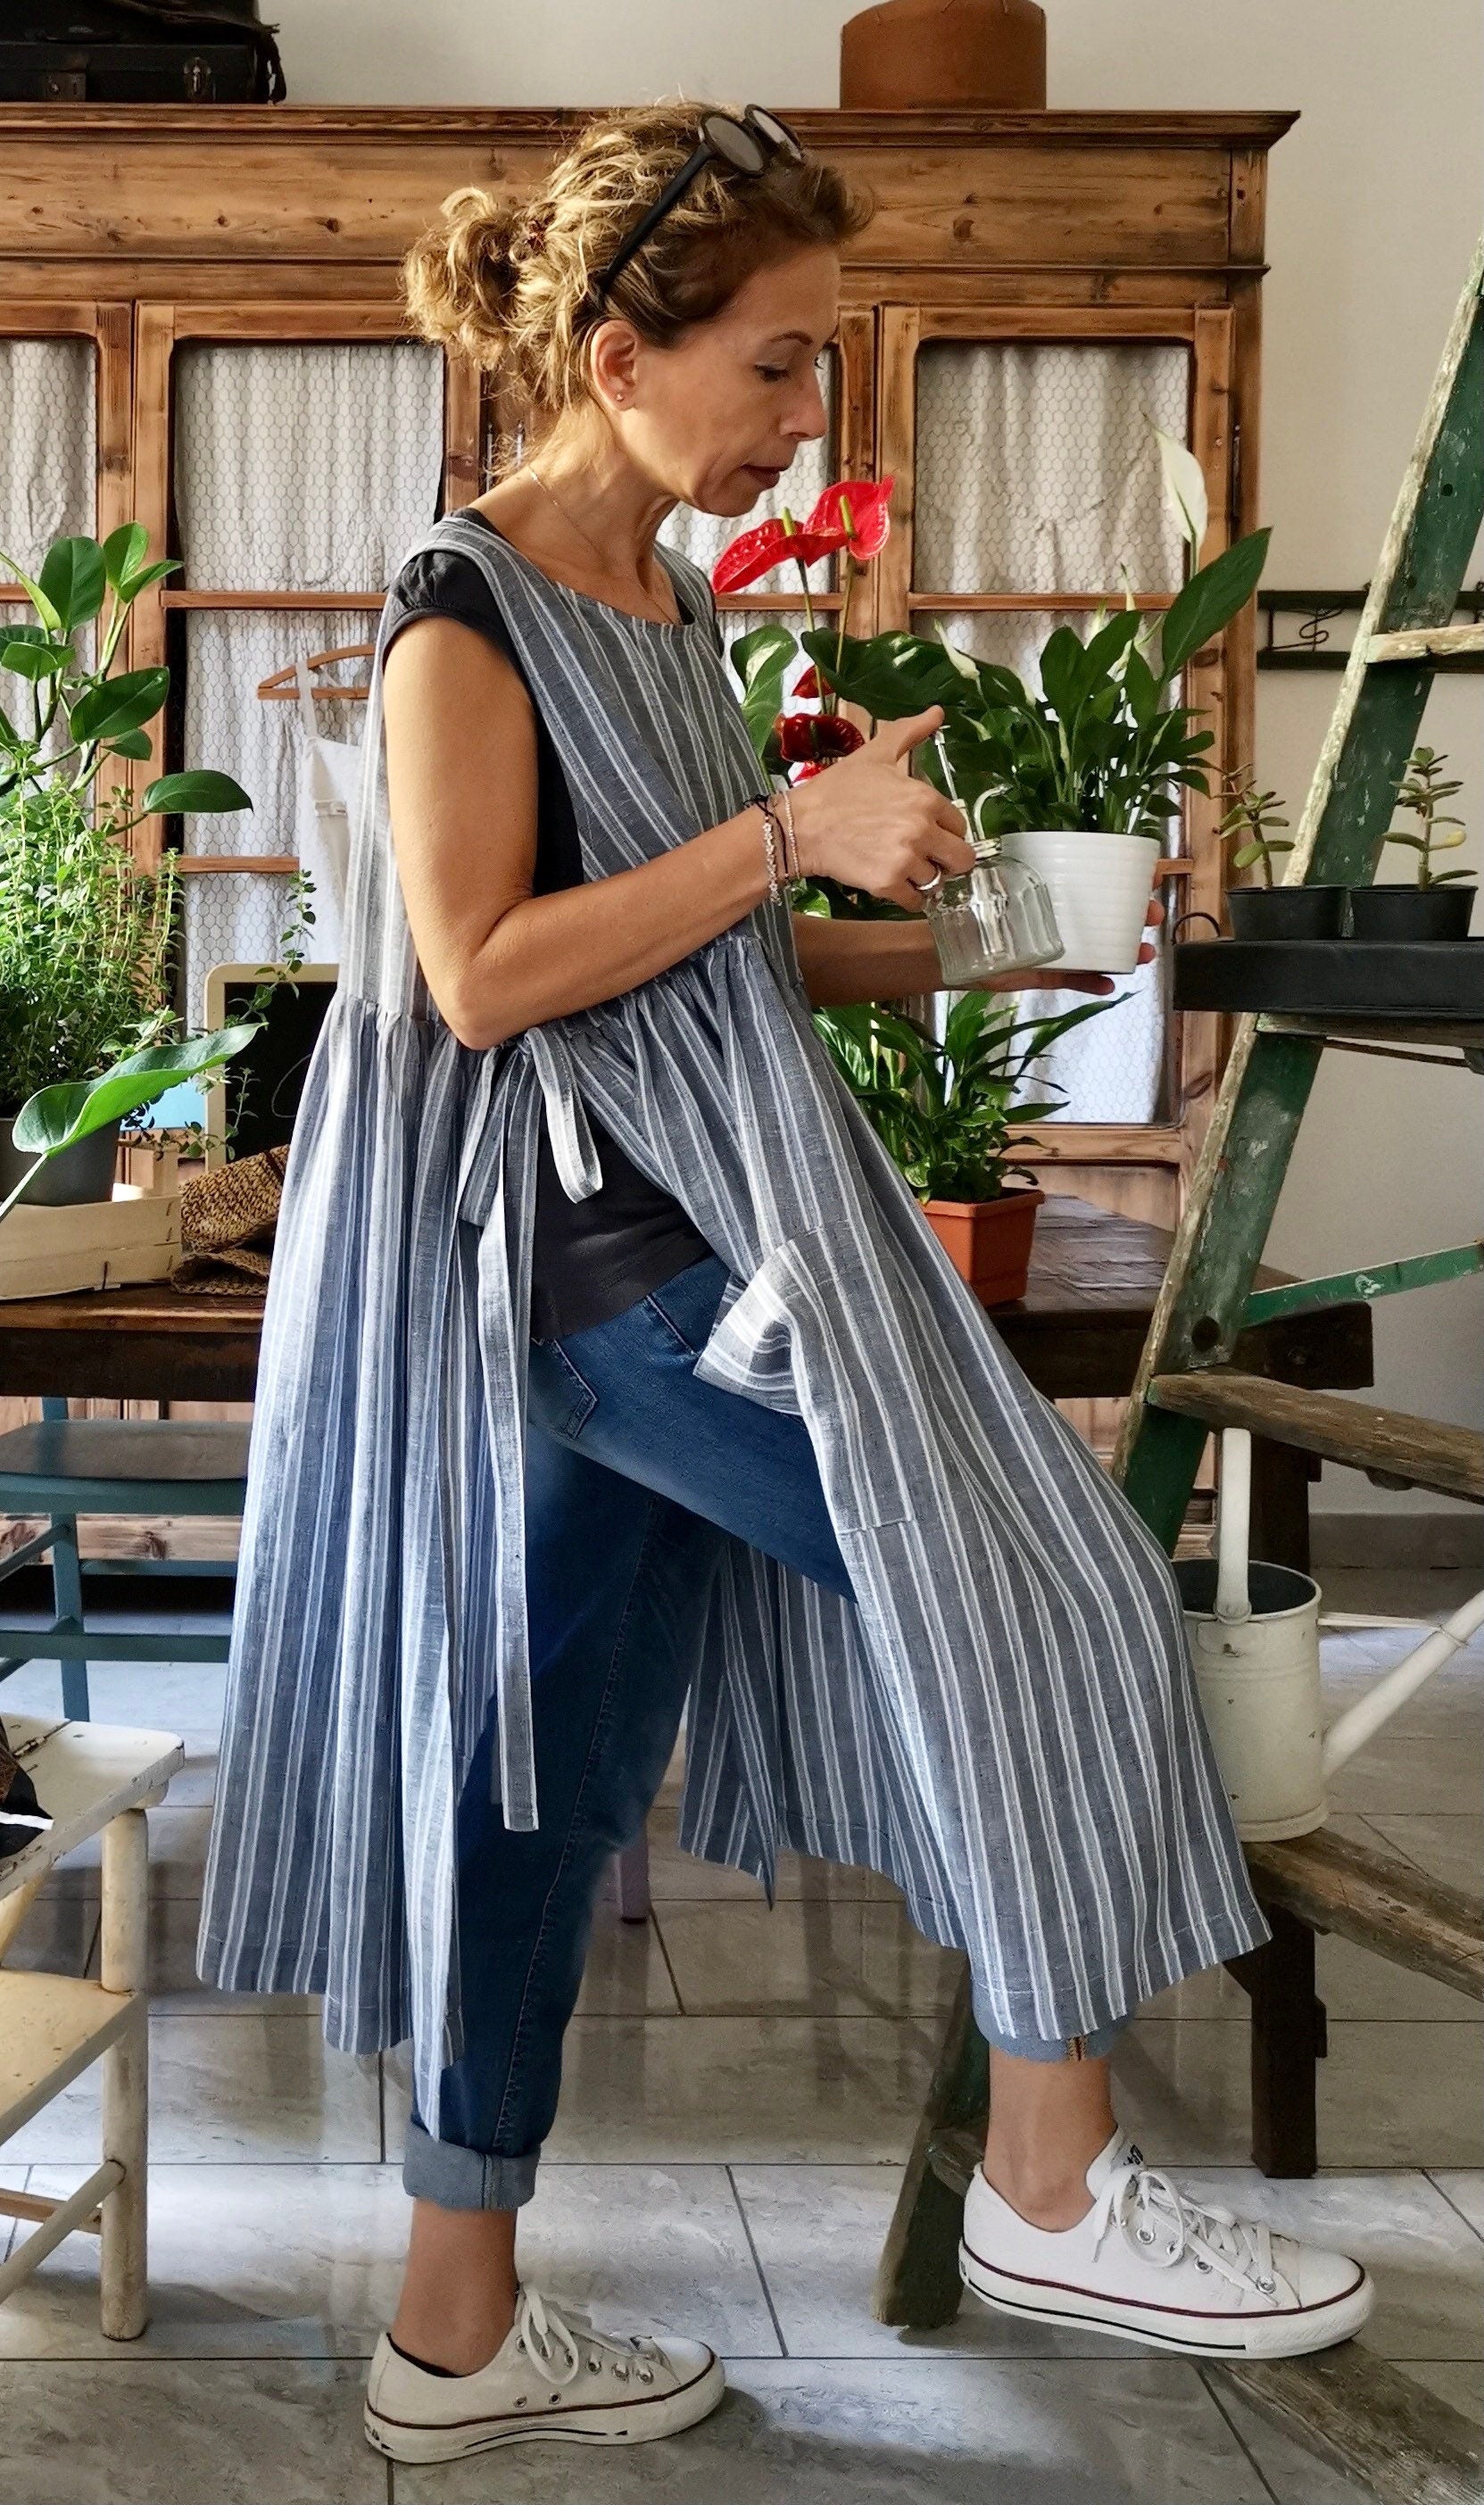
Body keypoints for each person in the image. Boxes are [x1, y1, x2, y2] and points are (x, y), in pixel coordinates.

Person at [197, 102, 1372, 2469]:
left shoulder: (670, 604)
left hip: (672, 1239)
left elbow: (698, 954)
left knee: (547, 1777)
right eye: (776, 363)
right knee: (1040, 1576)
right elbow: (483, 970)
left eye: (816, 364)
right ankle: (1054, 2178)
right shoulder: (461, 609)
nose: (807, 415)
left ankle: (451, 2332)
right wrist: (780, 830)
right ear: (617, 355)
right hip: (607, 1270)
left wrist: (969, 937)